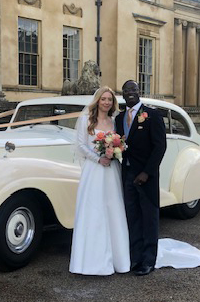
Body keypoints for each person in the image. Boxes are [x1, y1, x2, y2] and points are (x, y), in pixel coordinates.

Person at [69, 86, 131, 275]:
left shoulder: (113, 121)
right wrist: (98, 158)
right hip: (93, 170)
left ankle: (118, 259)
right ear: (97, 100)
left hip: (111, 170)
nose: (106, 102)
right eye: (103, 99)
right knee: (93, 210)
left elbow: (120, 141)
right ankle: (89, 260)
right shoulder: (86, 119)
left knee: (113, 209)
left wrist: (114, 152)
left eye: (110, 100)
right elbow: (80, 145)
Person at [115, 80, 167, 276]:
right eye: (126, 90)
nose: (130, 93)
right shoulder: (120, 118)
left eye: (133, 89)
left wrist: (147, 172)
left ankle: (148, 260)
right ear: (123, 94)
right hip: (127, 174)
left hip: (146, 176)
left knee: (149, 217)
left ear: (139, 92)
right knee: (132, 216)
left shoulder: (152, 115)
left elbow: (160, 146)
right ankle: (135, 257)